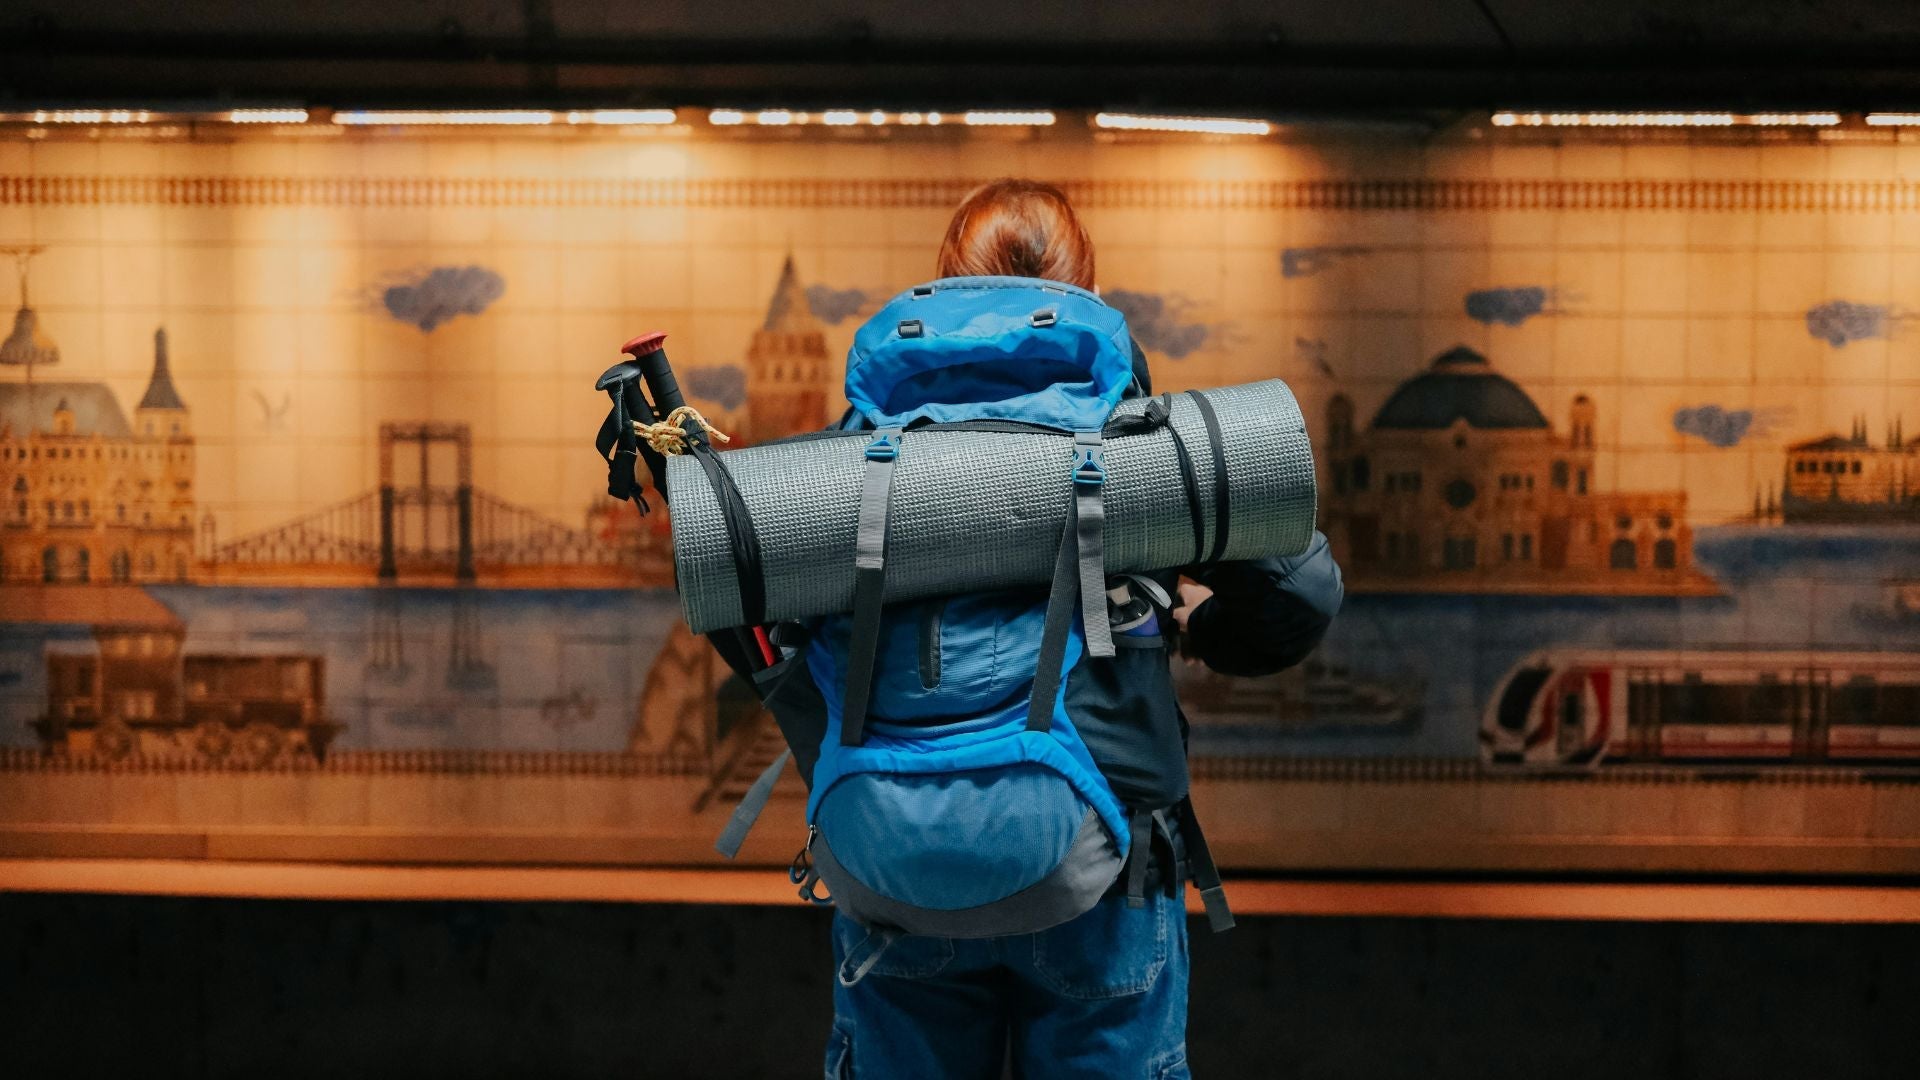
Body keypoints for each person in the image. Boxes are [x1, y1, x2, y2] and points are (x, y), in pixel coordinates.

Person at [824, 178, 1344, 1079]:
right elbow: (1302, 592)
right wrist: (1198, 626)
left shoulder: (857, 452)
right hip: (1104, 862)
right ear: (1085, 290)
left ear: (944, 282)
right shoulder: (1138, 442)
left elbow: (769, 615)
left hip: (895, 863)